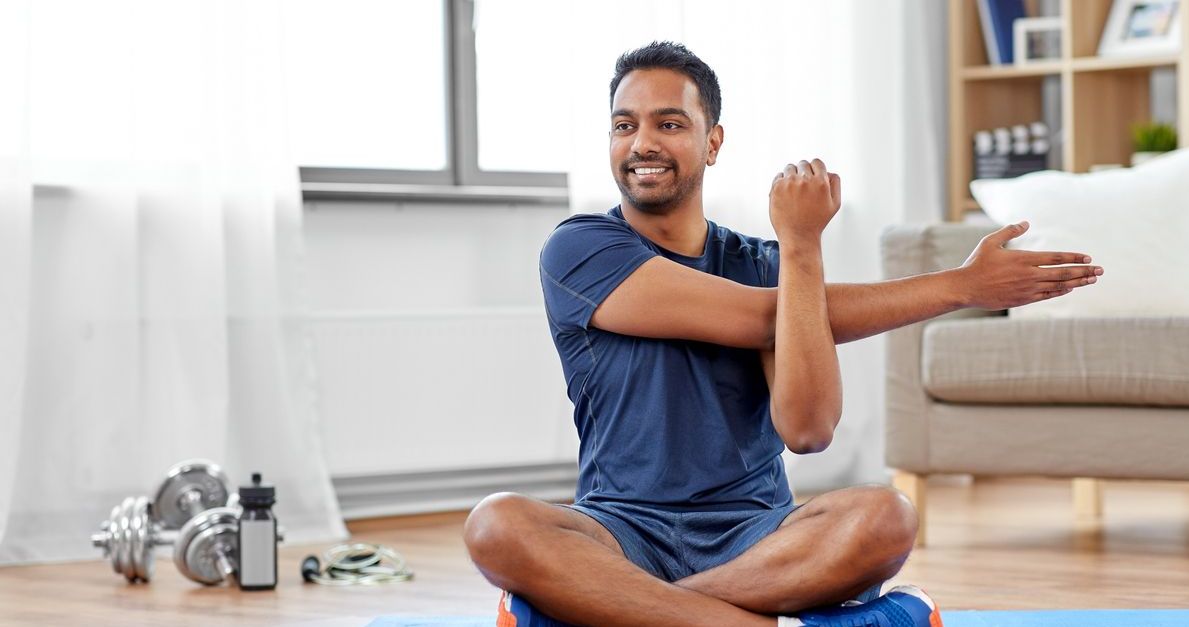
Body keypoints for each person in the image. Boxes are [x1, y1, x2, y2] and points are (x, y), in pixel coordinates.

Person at [463, 41, 1101, 627]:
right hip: (619, 529)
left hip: (757, 534)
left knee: (885, 517)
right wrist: (960, 288)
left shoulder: (771, 266)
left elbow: (810, 430)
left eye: (669, 123)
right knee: (496, 524)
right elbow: (755, 317)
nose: (642, 143)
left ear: (712, 143)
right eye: (624, 125)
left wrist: (799, 248)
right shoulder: (580, 249)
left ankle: (611, 612)